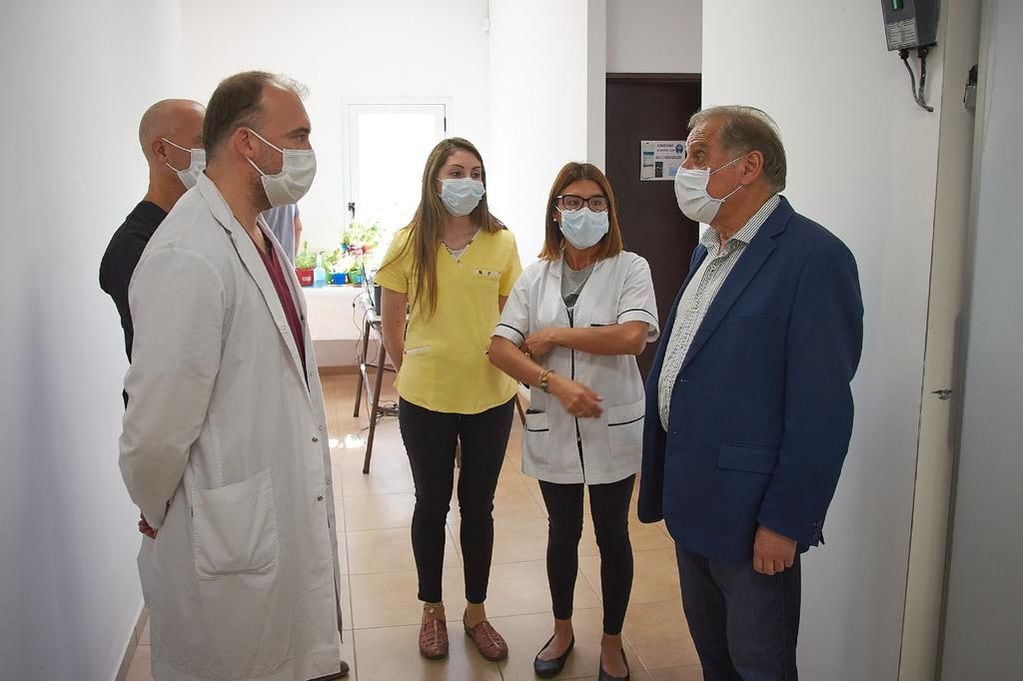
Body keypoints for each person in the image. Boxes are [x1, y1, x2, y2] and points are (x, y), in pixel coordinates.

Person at [118, 71, 349, 680]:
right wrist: (153, 503)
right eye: (296, 137)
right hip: (226, 532)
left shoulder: (255, 235)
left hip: (268, 514)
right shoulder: (187, 254)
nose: (306, 154)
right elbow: (155, 432)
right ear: (248, 144)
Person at [638, 105, 863, 680]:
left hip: (754, 519)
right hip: (693, 504)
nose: (682, 169)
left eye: (697, 155)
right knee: (716, 659)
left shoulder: (814, 259)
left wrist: (787, 522)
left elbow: (823, 410)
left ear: (748, 167)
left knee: (760, 665)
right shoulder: (708, 250)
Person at [489, 162, 658, 681]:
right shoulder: (535, 276)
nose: (585, 212)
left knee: (612, 535)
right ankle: (562, 630)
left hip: (613, 421)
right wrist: (552, 383)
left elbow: (632, 337)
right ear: (556, 212)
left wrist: (556, 337)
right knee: (562, 532)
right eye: (573, 202)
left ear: (610, 210)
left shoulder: (631, 267)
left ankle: (611, 642)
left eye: (597, 202)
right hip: (553, 422)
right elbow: (500, 348)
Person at [375, 137, 522, 662]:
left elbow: (511, 322)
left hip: (491, 398)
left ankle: (476, 611)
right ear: (434, 178)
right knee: (431, 505)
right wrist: (416, 369)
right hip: (426, 400)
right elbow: (392, 328)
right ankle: (431, 608)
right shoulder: (407, 241)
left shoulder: (501, 242)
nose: (467, 181)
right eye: (456, 171)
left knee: (478, 507)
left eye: (476, 172)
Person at [100, 98, 205, 366]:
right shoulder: (132, 246)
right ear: (161, 151)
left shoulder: (200, 223)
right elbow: (177, 345)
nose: (213, 154)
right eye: (203, 142)